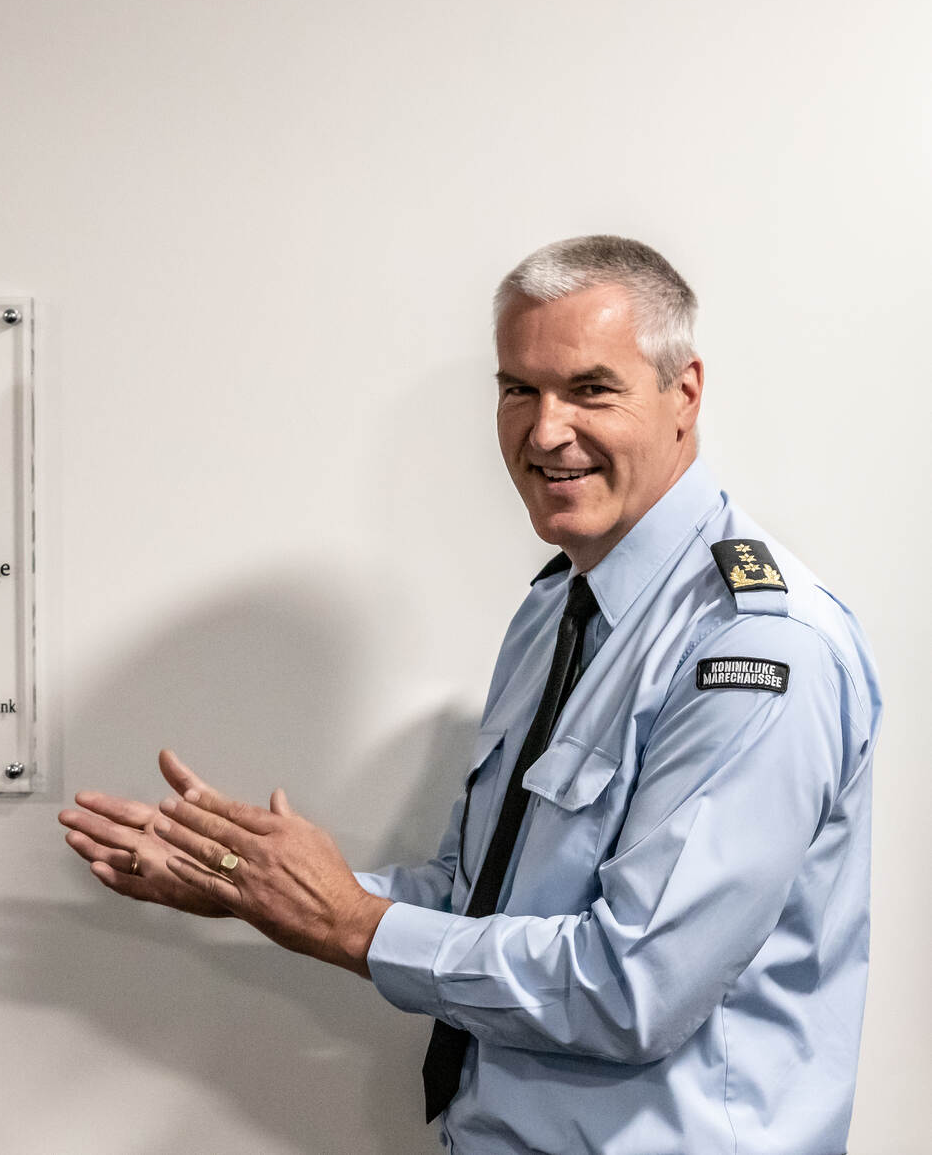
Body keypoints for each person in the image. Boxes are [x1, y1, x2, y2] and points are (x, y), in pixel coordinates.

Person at [59, 235, 881, 1155]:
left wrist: (351, 923)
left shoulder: (754, 647)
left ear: (683, 394)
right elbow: (479, 897)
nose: (546, 431)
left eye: (590, 389)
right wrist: (256, 884)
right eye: (519, 389)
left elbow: (632, 990)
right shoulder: (555, 610)